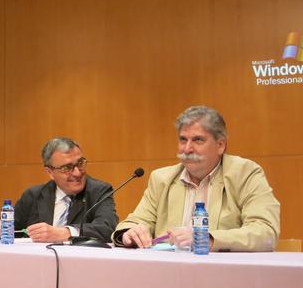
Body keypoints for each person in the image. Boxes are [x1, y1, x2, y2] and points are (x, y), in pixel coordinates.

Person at [112, 106, 280, 252]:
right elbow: (135, 221)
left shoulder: (244, 173)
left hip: (223, 271)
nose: (187, 149)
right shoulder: (162, 179)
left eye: (198, 140)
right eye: (183, 140)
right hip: (168, 270)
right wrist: (130, 232)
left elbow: (265, 232)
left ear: (220, 145)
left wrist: (206, 239)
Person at [0, 137, 118, 243]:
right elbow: (10, 226)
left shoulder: (99, 191)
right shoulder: (33, 195)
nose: (77, 173)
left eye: (80, 164)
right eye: (66, 168)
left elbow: (107, 228)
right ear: (50, 172)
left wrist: (66, 233)